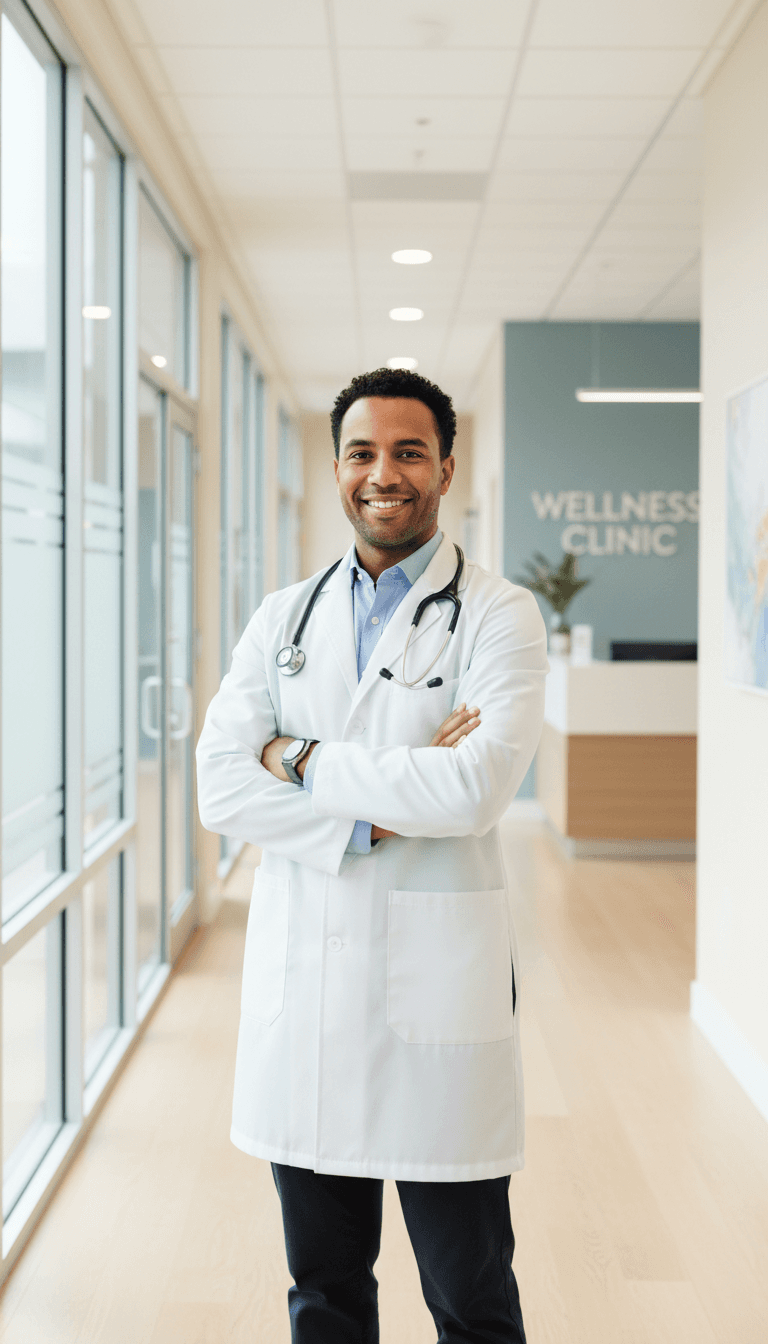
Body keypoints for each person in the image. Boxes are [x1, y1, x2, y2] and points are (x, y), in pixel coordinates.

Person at [196, 367, 548, 1343]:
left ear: (444, 467)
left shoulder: (498, 615)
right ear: (337, 467)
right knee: (324, 1293)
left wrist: (298, 758)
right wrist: (374, 814)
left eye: (407, 451)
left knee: (471, 1297)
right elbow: (220, 786)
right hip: (305, 1009)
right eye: (362, 452)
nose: (382, 472)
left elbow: (475, 788)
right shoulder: (282, 620)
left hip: (441, 1017)